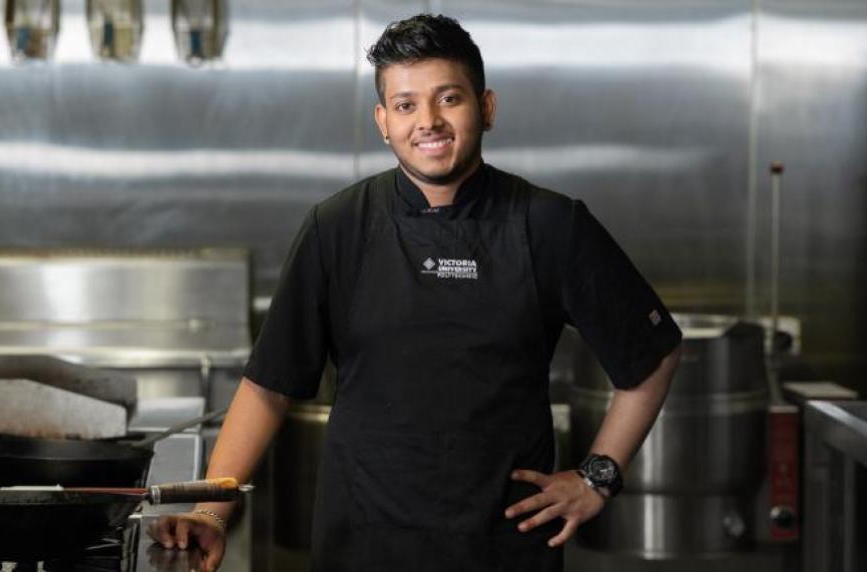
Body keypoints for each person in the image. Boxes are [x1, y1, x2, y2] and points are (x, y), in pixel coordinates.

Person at [150, 13, 682, 572]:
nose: (428, 121)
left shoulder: (549, 225)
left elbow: (653, 355)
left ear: (487, 107)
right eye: (405, 105)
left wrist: (597, 477)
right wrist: (210, 511)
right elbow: (268, 386)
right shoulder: (337, 227)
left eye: (448, 98)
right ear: (383, 121)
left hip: (502, 549)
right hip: (362, 545)